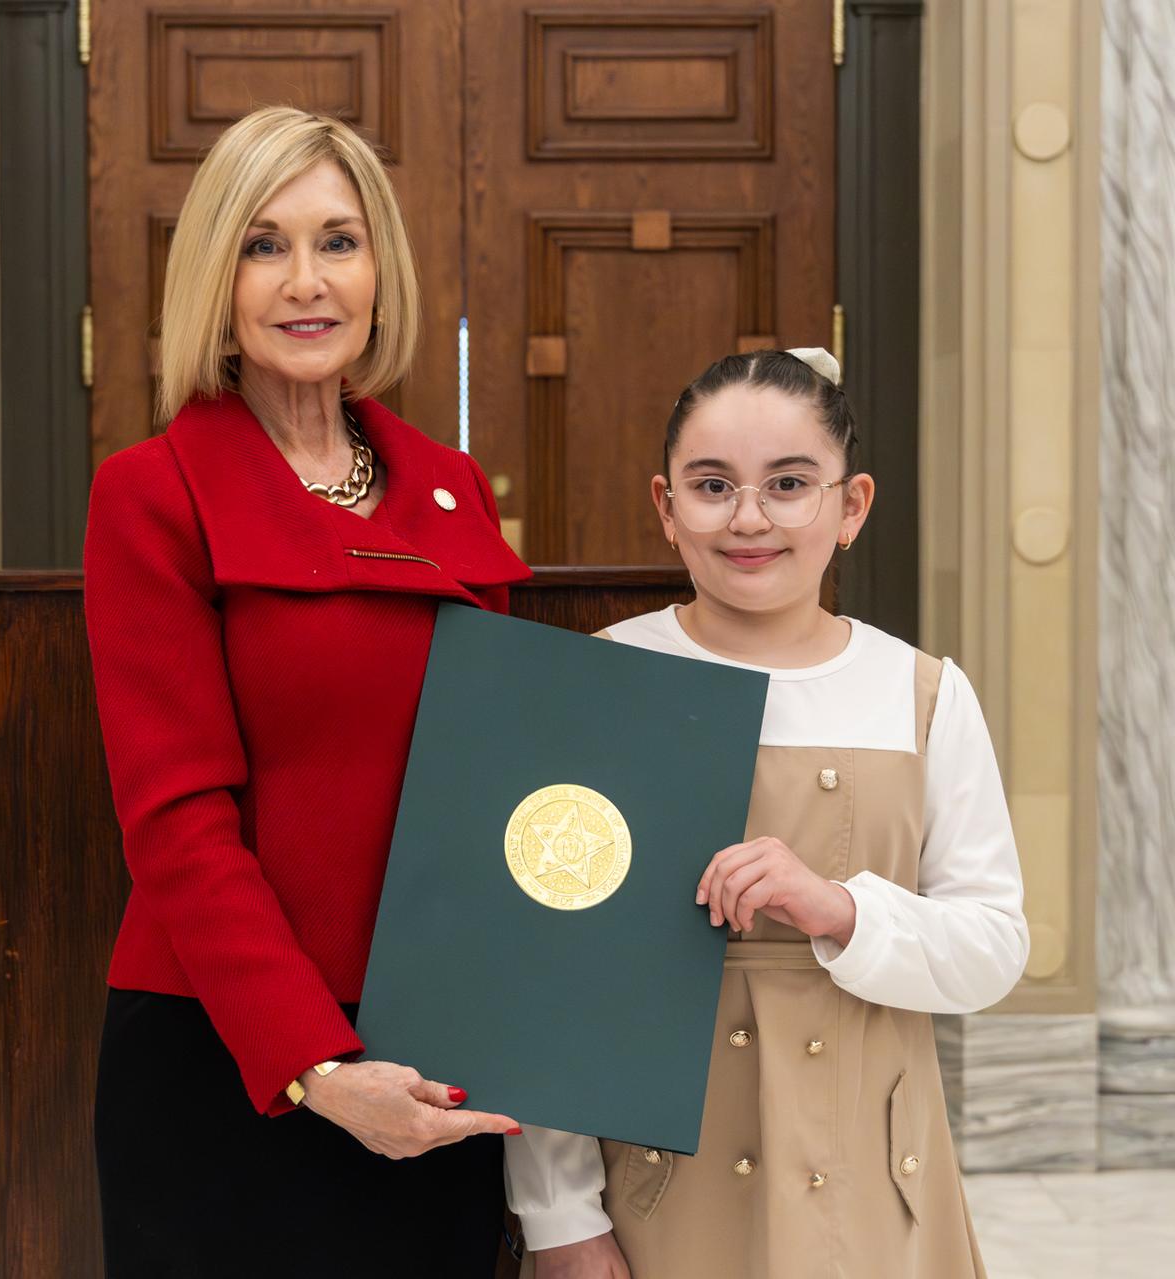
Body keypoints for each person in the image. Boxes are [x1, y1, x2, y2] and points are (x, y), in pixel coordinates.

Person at [83, 106, 532, 1276]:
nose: (305, 281)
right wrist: (316, 1067)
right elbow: (176, 822)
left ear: (380, 267)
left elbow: (499, 778)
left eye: (338, 241)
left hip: (431, 1045)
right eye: (263, 244)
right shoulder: (151, 494)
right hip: (231, 1056)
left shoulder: (447, 486)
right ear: (216, 278)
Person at [506, 348, 1029, 1278]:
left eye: (789, 484)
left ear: (852, 504)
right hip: (668, 1183)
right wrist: (560, 1220)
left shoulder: (924, 692)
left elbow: (992, 945)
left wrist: (841, 907)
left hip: (878, 1179)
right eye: (713, 486)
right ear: (667, 507)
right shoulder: (607, 682)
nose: (750, 518)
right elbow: (548, 984)